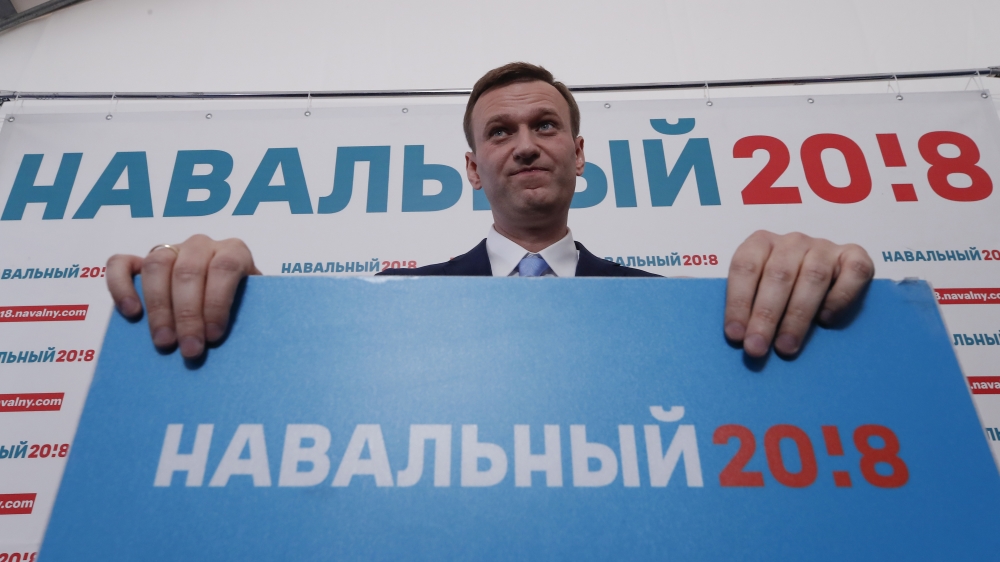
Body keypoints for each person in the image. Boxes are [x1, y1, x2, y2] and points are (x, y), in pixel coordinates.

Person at [106, 62, 874, 361]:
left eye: (546, 126)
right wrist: (244, 308)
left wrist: (827, 293)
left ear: (579, 153)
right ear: (473, 170)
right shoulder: (389, 304)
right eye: (500, 132)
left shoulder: (676, 313)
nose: (526, 145)